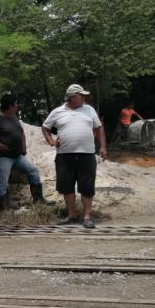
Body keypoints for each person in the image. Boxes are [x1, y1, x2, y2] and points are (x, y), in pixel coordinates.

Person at [42, 84, 107, 229]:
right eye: (81, 95)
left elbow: (98, 129)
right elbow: (45, 127)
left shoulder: (89, 110)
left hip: (87, 154)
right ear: (71, 97)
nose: (84, 97)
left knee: (87, 186)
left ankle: (87, 217)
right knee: (67, 185)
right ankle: (71, 215)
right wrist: (51, 140)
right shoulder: (57, 112)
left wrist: (102, 146)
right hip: (64, 155)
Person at [0, 97, 52, 209]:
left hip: (17, 156)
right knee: (2, 182)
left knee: (33, 171)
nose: (17, 106)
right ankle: (2, 208)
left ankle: (38, 200)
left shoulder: (14, 117)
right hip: (2, 157)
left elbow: (21, 132)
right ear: (10, 106)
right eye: (16, 104)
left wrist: (23, 146)